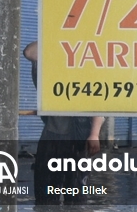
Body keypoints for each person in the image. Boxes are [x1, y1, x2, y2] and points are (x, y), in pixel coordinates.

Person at [23, 41, 104, 203]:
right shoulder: (50, 63)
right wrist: (56, 35)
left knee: (77, 197)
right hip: (52, 137)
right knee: (45, 196)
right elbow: (29, 52)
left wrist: (94, 134)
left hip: (78, 138)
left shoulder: (89, 65)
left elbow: (99, 101)